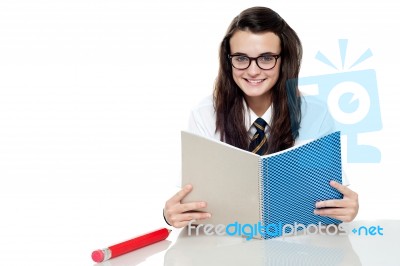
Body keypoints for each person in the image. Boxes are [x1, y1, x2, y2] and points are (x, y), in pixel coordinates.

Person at [164, 6, 359, 228]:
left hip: (297, 241)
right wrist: (171, 214)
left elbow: (331, 197)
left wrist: (348, 207)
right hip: (227, 241)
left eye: (266, 58)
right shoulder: (204, 114)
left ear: (284, 61)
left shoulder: (315, 113)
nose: (253, 71)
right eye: (241, 58)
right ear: (229, 61)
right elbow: (195, 201)